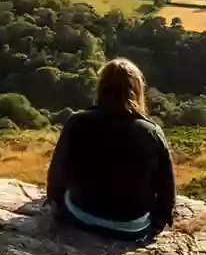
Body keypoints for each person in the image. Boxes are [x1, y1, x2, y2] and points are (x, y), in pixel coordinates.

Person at [46, 58, 176, 241]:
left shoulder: (77, 122)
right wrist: (159, 222)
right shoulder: (152, 132)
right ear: (136, 90)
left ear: (101, 87)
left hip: (82, 216)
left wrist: (55, 204)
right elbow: (166, 187)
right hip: (132, 227)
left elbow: (58, 172)